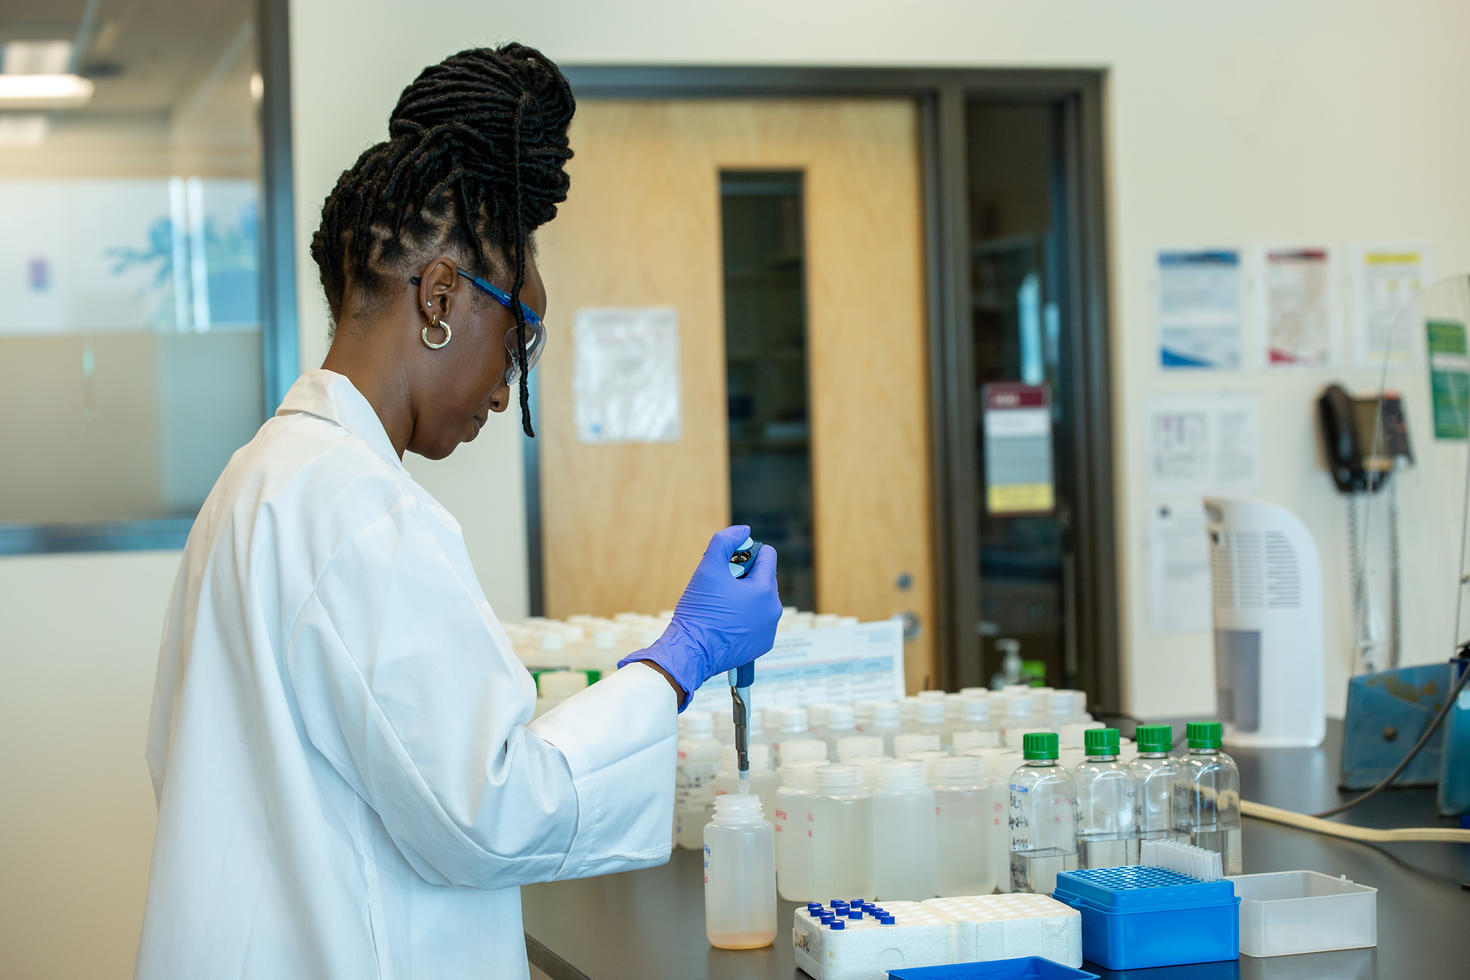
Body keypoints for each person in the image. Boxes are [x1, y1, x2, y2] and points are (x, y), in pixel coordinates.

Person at [135, 44, 781, 979]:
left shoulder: (257, 483)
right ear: (440, 297)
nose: (507, 384)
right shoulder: (356, 508)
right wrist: (674, 664)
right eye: (519, 336)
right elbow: (495, 812)